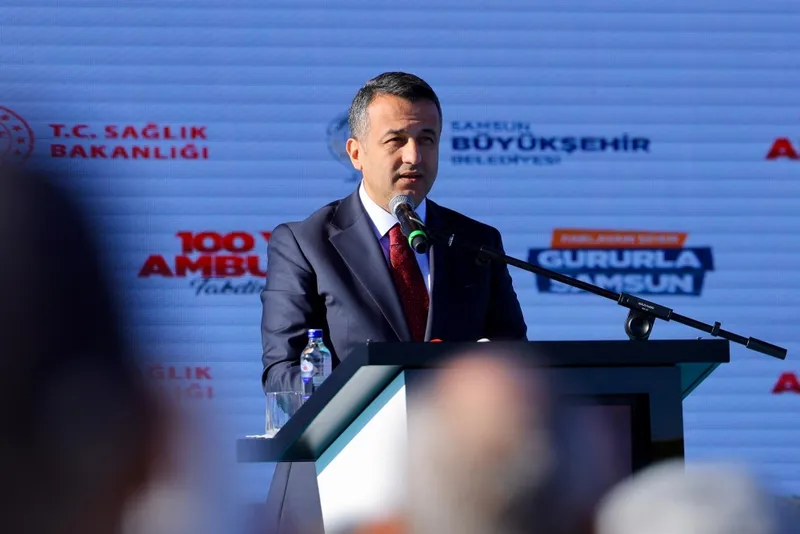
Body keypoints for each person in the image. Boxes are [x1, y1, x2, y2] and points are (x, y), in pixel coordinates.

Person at [261, 71, 527, 393]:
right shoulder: (305, 245)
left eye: (427, 139)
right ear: (356, 153)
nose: (414, 156)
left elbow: (516, 360)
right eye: (396, 140)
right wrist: (376, 398)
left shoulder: (476, 242)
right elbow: (284, 372)